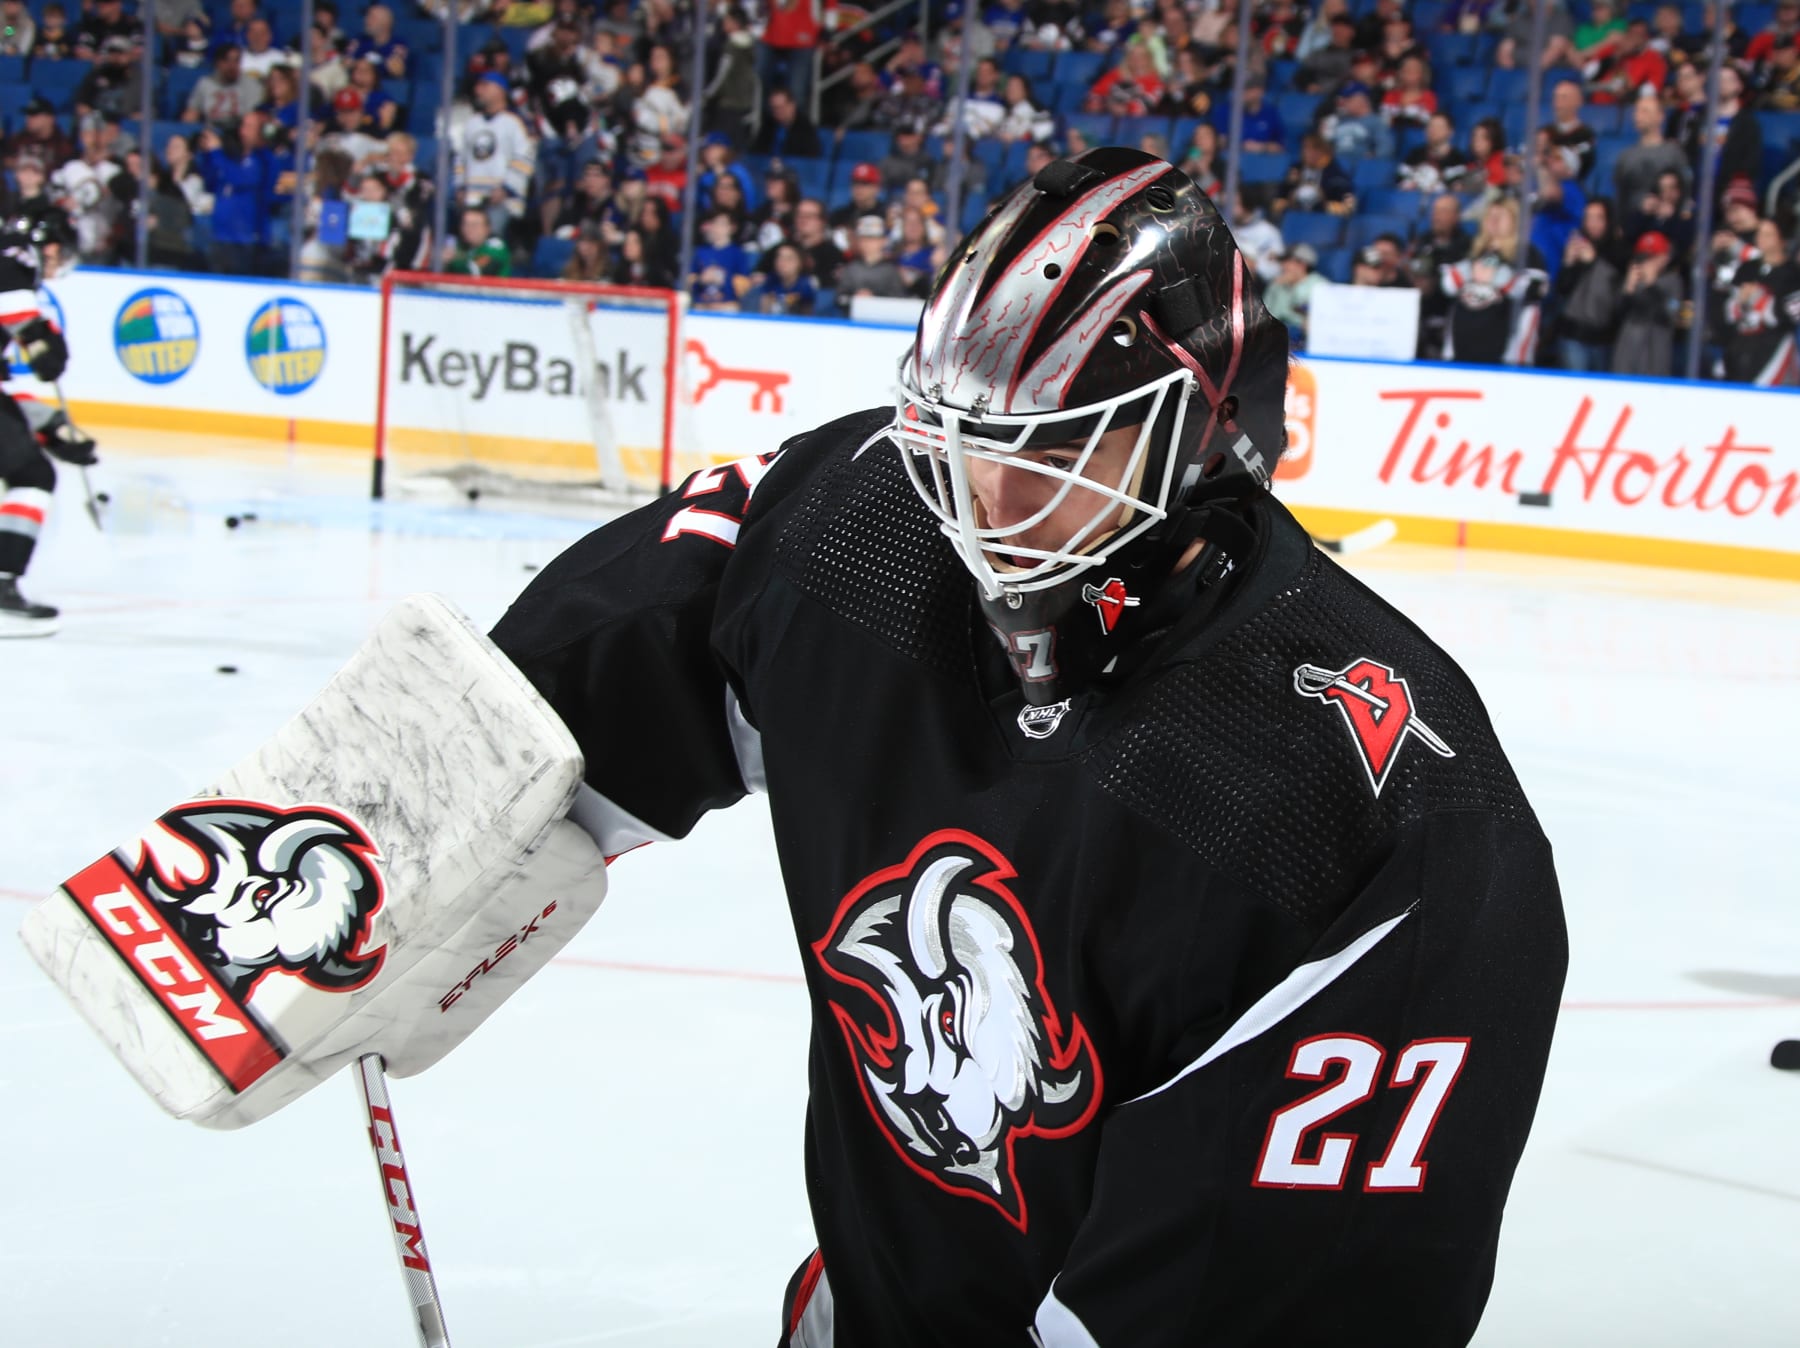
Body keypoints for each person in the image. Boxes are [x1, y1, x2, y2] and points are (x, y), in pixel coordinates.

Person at [488, 146, 1566, 1347]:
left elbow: (1271, 1284)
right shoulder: (869, 527)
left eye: (1054, 452)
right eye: (963, 440)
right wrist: (360, 855)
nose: (984, 502)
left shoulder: (1382, 807)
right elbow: (606, 670)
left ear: (1200, 435)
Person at [0, 212, 95, 635]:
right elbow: (17, 314)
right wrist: (41, 340)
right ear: (47, 245)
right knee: (31, 473)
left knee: (29, 467)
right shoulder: (14, 260)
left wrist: (49, 424)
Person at [1442, 198, 1547, 365]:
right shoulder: (1467, 247)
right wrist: (1469, 270)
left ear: (1514, 221)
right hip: (1462, 345)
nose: (1494, 220)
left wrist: (1499, 278)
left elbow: (1536, 292)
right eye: (1490, 215)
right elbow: (1446, 286)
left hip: (1504, 351)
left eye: (1501, 215)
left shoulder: (1526, 254)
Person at [1610, 228, 1684, 375]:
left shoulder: (1673, 281)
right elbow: (1616, 315)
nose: (1645, 263)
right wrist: (1627, 290)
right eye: (1642, 258)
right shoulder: (1634, 279)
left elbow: (1670, 315)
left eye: (1651, 258)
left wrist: (1652, 287)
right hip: (1628, 354)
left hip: (1655, 356)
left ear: (1664, 258)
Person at [441, 204, 511, 276]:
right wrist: (442, 262)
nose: (469, 229)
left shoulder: (496, 247)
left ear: (487, 229)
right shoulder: (458, 246)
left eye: (474, 225)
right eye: (465, 224)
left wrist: (452, 261)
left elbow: (474, 272)